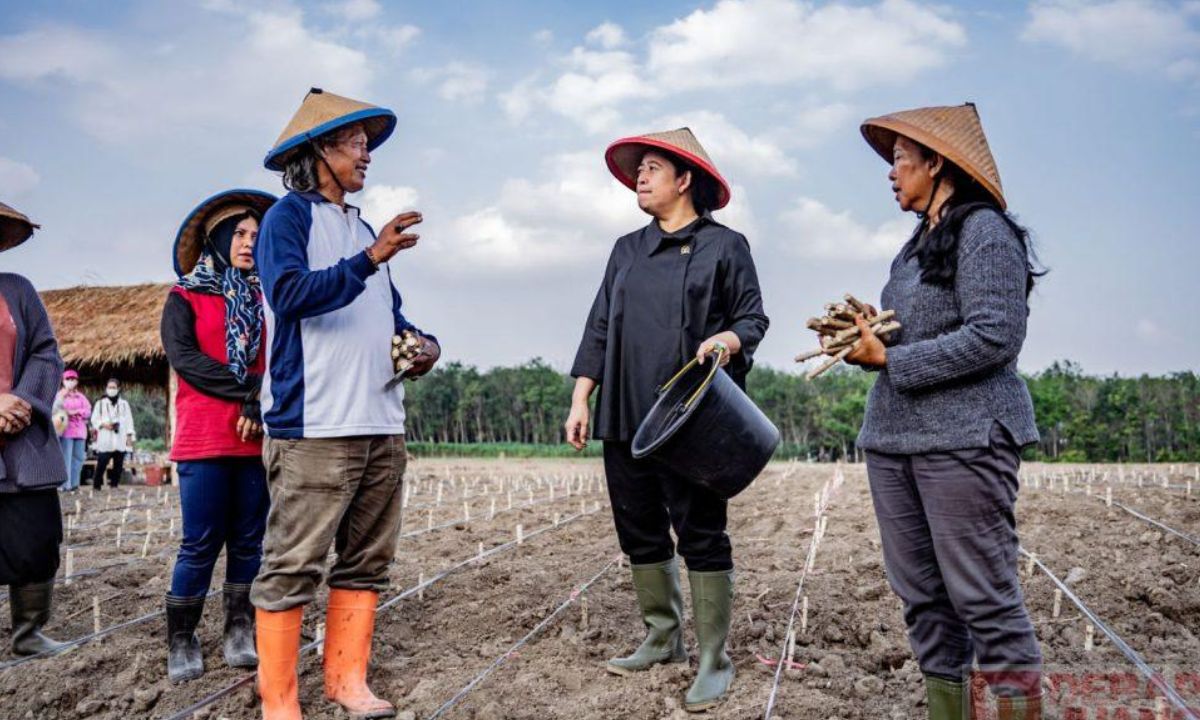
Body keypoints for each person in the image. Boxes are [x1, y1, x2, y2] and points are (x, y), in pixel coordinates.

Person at [847, 103, 1044, 719]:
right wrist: (867, 339)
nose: (891, 173)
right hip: (896, 440)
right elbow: (915, 334)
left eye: (901, 159)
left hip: (965, 439)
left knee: (983, 598)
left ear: (937, 162)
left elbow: (995, 335)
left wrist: (890, 362)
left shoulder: (985, 232)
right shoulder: (913, 248)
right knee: (923, 598)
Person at [252, 88, 440, 720]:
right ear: (317, 151)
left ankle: (346, 682)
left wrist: (421, 345)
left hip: (380, 420)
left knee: (366, 561)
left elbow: (386, 314)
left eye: (367, 143)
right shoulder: (289, 218)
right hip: (316, 423)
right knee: (292, 565)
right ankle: (279, 701)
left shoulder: (362, 229)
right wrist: (369, 258)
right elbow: (289, 294)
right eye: (355, 143)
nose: (367, 154)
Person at [565, 128, 768, 713]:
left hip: (693, 418)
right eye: (639, 169)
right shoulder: (626, 249)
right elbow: (599, 326)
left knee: (701, 533)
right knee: (640, 529)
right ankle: (661, 637)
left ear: (685, 180)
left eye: (653, 168)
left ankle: (713, 660)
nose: (641, 176)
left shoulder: (726, 246)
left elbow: (753, 318)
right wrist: (582, 398)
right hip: (626, 411)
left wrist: (727, 340)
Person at [159, 189, 276, 682]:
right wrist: (250, 388)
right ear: (218, 239)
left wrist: (258, 401)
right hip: (205, 437)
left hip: (252, 437)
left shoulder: (264, 299)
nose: (249, 243)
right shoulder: (184, 296)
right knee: (200, 542)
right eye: (240, 234)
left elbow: (275, 363)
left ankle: (238, 630)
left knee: (250, 541)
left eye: (256, 235)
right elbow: (187, 361)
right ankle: (181, 639)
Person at [0, 201, 68, 656]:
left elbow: (46, 353)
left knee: (36, 537)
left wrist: (21, 400)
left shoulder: (18, 290)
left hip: (20, 437)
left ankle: (29, 633)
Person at [89, 378, 134, 489]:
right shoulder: (100, 404)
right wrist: (104, 424)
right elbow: (94, 419)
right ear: (106, 388)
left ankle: (114, 485)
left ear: (118, 389)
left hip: (120, 438)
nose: (111, 389)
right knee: (102, 463)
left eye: (114, 387)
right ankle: (96, 486)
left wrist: (129, 437)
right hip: (105, 437)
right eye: (109, 387)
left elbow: (129, 421)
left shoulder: (124, 404)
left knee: (118, 464)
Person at [53, 369, 90, 492]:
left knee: (78, 457)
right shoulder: (59, 395)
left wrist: (76, 412)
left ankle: (75, 484)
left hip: (80, 431)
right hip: (65, 430)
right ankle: (64, 485)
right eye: (68, 379)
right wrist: (65, 406)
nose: (70, 381)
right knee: (66, 457)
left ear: (77, 381)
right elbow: (54, 409)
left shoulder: (81, 397)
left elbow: (88, 411)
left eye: (73, 379)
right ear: (63, 381)